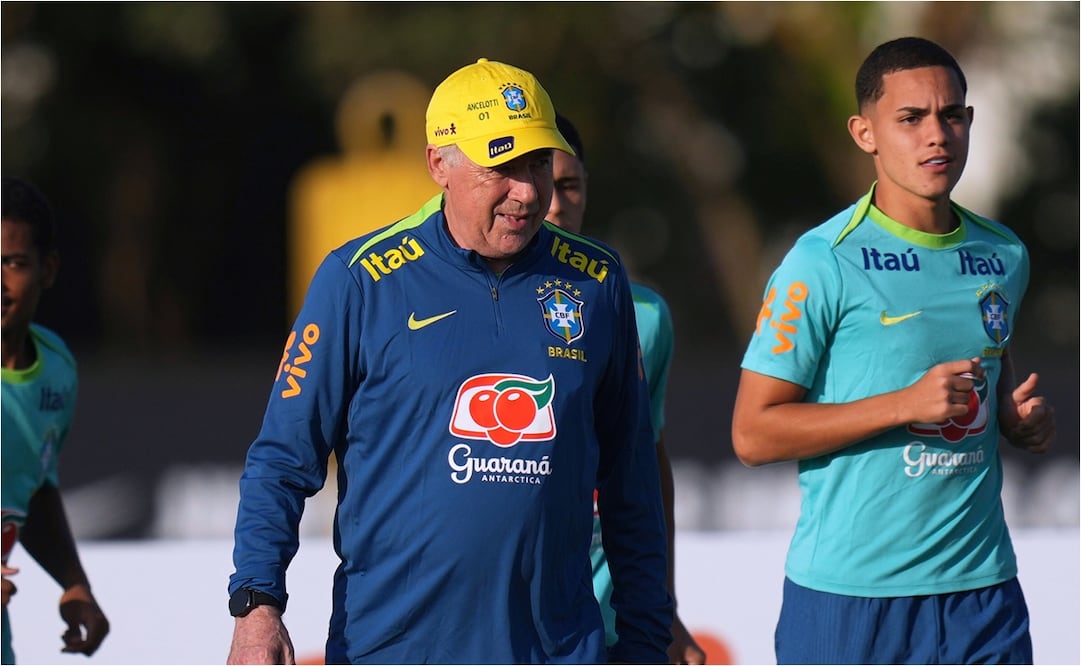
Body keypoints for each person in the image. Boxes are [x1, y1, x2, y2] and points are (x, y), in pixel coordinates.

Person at [226, 58, 672, 665]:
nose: (527, 191)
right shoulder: (358, 281)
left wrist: (646, 641)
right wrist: (257, 606)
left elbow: (631, 483)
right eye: (502, 167)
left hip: (559, 650)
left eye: (539, 164)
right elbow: (282, 457)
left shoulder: (597, 280)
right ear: (440, 163)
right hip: (392, 648)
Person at [731, 36, 1056, 664]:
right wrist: (903, 404)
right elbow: (752, 435)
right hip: (852, 602)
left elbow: (991, 360)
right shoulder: (820, 262)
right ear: (865, 133)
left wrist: (1013, 421)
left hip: (982, 594)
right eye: (910, 118)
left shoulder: (1004, 254)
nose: (936, 135)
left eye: (951, 115)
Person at [546, 113, 706, 666]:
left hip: (610, 630)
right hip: (503, 626)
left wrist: (665, 607)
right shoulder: (465, 308)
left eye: (569, 185)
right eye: (543, 182)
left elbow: (646, 466)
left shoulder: (644, 316)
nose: (555, 203)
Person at [1, 177, 110, 663]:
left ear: (47, 269)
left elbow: (33, 486)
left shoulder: (56, 367)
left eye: (13, 263)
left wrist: (74, 584)